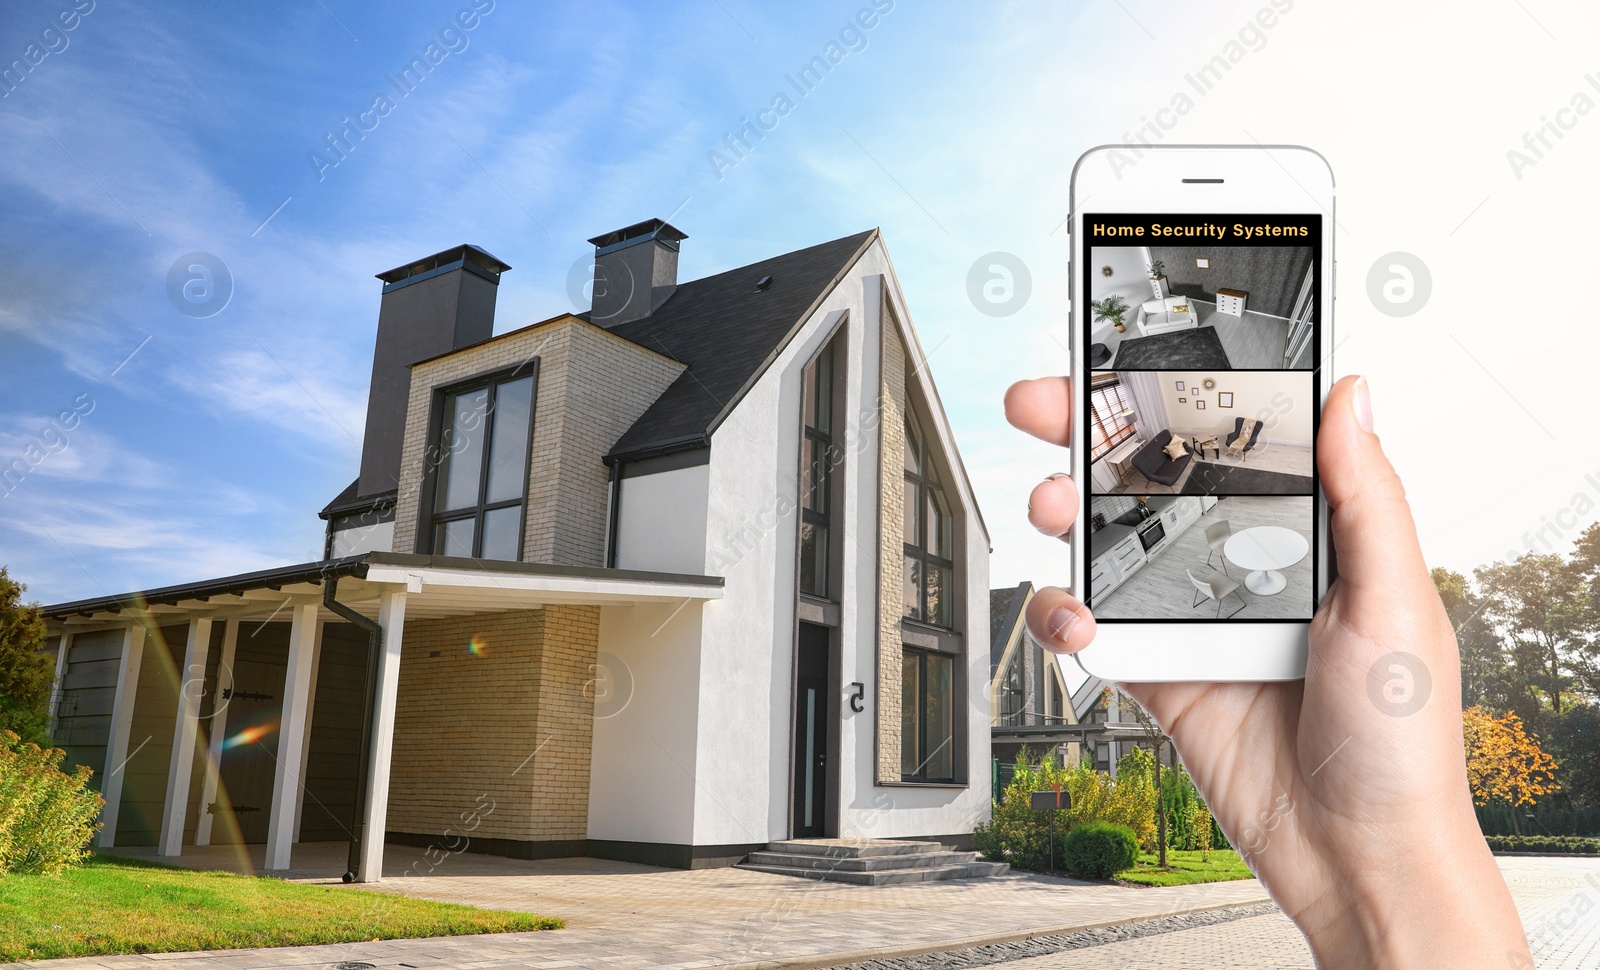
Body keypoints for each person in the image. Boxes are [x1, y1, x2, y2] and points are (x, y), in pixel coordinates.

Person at [1004, 374, 1532, 968]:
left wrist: (1394, 855)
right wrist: (1393, 878)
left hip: (1220, 589)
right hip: (1216, 587)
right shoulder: (1182, 475)